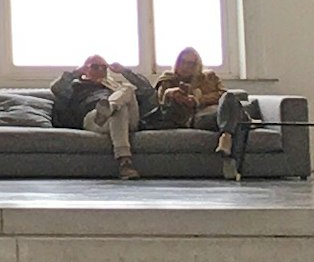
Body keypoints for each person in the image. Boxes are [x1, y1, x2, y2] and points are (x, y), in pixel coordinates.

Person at [149, 46, 249, 181]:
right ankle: (228, 139)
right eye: (183, 62)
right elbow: (159, 106)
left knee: (230, 97)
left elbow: (221, 94)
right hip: (196, 118)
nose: (186, 67)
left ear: (198, 65)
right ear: (177, 63)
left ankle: (226, 137)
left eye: (191, 64)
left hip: (216, 113)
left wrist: (199, 99)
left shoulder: (209, 77)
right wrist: (171, 95)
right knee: (237, 122)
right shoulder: (168, 80)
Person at [48, 52, 150, 177]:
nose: (101, 70)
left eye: (104, 67)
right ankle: (125, 163)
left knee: (127, 89)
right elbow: (56, 88)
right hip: (96, 119)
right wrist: (76, 72)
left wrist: (124, 71)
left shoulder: (115, 86)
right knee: (120, 110)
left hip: (128, 119)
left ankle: (110, 107)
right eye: (95, 67)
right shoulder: (76, 86)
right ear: (85, 69)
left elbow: (147, 90)